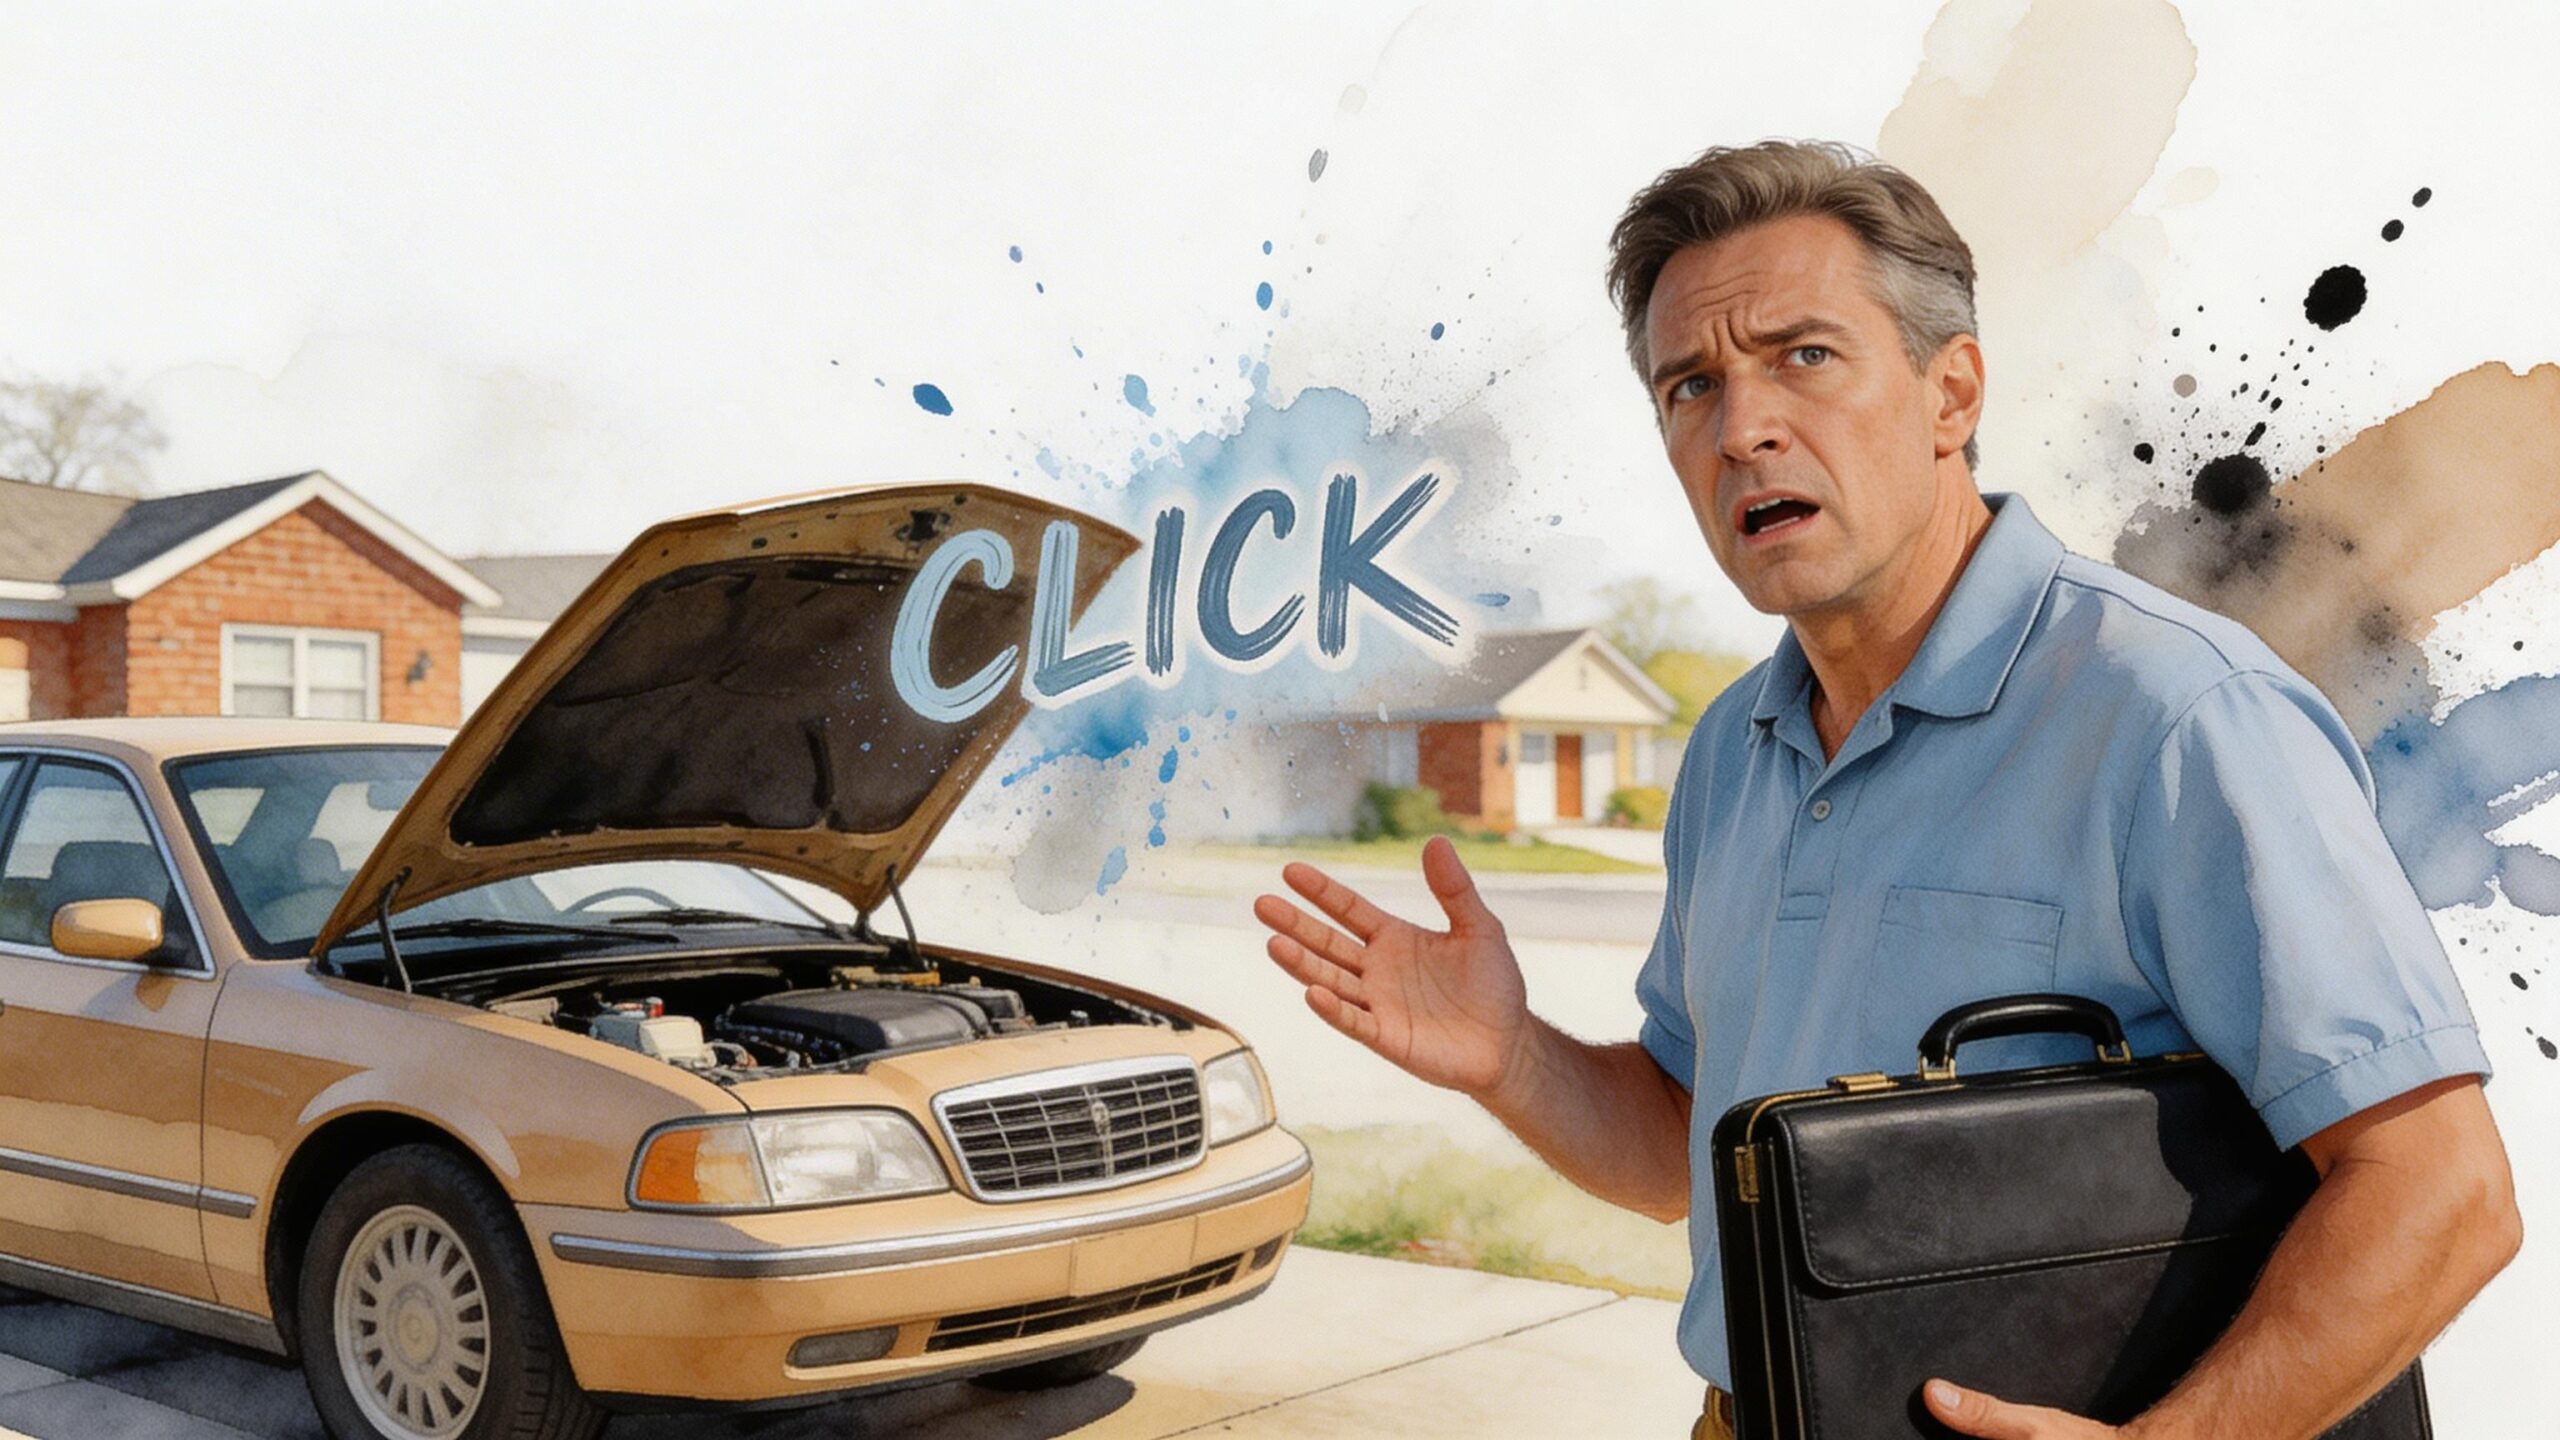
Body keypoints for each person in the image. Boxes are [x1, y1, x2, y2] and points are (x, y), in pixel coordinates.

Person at [1251, 139, 2521, 1440]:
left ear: (1950, 392)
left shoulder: (2178, 716)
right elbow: (1692, 1151)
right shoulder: (1733, 752)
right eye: (1690, 386)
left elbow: (2437, 1190)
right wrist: (1511, 1058)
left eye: (1802, 356)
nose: (1741, 427)